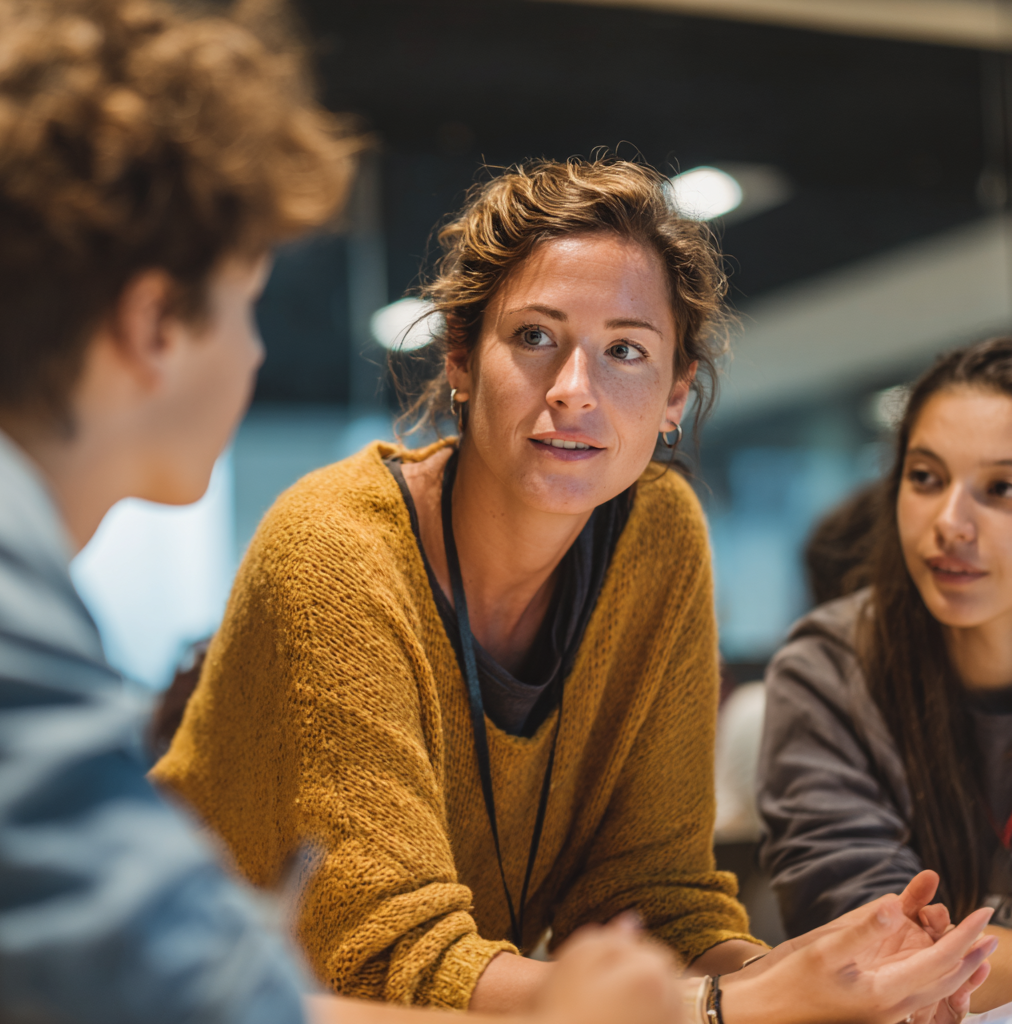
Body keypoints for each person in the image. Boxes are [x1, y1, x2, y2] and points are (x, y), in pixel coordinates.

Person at [153, 157, 995, 1023]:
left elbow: (650, 893)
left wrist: (827, 979)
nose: (574, 390)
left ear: (674, 395)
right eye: (533, 337)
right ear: (460, 359)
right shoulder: (337, 547)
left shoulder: (658, 535)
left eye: (625, 350)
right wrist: (722, 1005)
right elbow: (380, 953)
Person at [0, 3, 696, 1023]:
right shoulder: (10, 588)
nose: (256, 354)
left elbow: (193, 979)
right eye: (247, 301)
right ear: (154, 325)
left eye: (627, 350)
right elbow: (182, 993)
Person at [759, 336, 1012, 1013]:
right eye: (925, 477)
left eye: (1002, 488)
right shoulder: (831, 670)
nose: (951, 523)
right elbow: (874, 953)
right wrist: (927, 961)